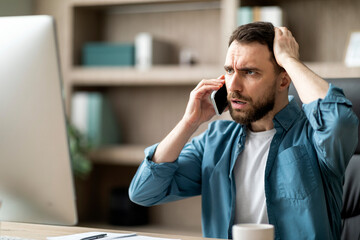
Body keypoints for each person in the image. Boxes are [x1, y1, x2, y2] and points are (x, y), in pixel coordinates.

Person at [128, 22, 359, 240]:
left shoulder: (314, 137)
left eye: (249, 72)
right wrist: (189, 123)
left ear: (283, 80)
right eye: (229, 70)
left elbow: (339, 121)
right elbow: (144, 191)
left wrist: (288, 59)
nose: (234, 86)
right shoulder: (216, 140)